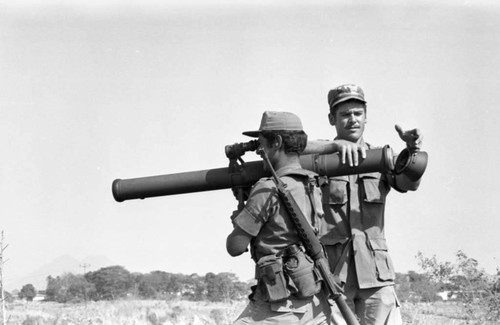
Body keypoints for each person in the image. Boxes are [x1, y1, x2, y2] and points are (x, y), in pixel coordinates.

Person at [317, 84, 423, 325]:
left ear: (366, 117)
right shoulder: (319, 160)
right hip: (334, 278)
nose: (352, 120)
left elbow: (408, 182)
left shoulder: (380, 158)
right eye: (345, 114)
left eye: (358, 113)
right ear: (332, 118)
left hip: (376, 275)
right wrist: (330, 148)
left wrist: (412, 151)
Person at [227, 111, 332, 325]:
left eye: (262, 142)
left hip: (278, 307)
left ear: (277, 142)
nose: (258, 149)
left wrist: (238, 218)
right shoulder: (312, 183)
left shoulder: (267, 189)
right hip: (313, 302)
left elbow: (235, 247)